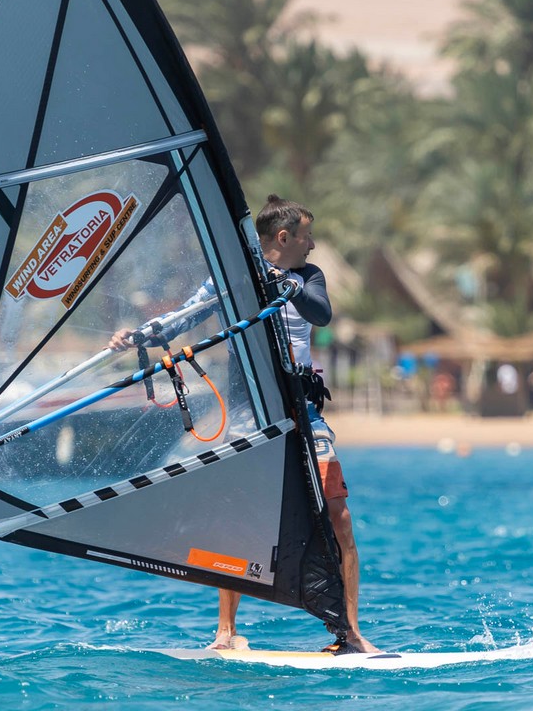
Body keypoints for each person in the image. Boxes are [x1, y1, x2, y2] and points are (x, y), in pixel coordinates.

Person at [109, 195, 377, 654]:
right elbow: (180, 319)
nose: (313, 244)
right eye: (308, 236)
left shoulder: (308, 277)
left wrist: (279, 282)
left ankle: (350, 634)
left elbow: (320, 312)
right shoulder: (229, 280)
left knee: (340, 518)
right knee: (235, 519)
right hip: (249, 417)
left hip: (305, 415)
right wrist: (137, 336)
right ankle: (225, 632)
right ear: (284, 237)